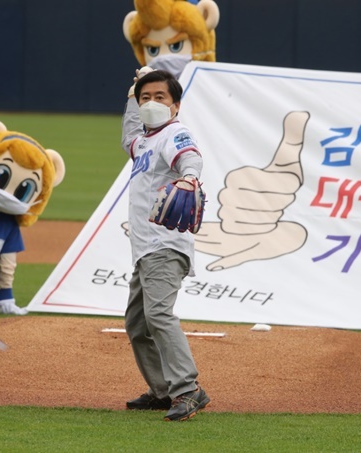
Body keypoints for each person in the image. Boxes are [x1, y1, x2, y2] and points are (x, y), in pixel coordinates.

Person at [120, 68, 210, 421]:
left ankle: (188, 390)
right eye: (146, 97)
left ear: (176, 105)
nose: (151, 103)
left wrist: (189, 178)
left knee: (157, 315)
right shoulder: (144, 141)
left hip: (165, 245)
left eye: (160, 97)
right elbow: (130, 134)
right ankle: (162, 390)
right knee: (137, 324)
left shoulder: (174, 132)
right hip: (146, 249)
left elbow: (191, 156)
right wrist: (132, 95)